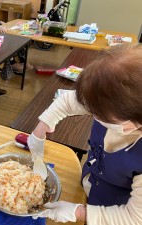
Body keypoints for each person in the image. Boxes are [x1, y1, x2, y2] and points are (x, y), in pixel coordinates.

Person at [28, 44, 142, 224]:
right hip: (90, 186)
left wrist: (79, 212)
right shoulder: (110, 100)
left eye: (100, 114)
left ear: (134, 118)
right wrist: (40, 129)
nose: (91, 113)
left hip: (114, 211)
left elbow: (134, 218)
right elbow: (68, 101)